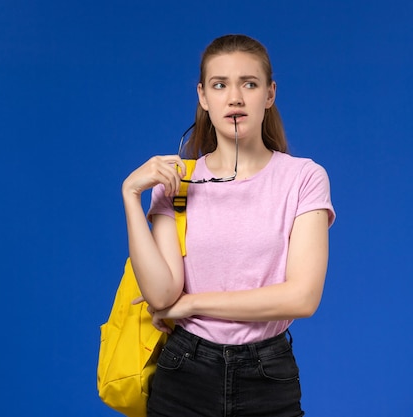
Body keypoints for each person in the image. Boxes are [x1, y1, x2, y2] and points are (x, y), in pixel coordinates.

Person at [121, 34, 336, 417]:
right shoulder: (178, 181)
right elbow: (160, 295)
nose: (234, 98)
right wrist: (130, 197)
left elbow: (302, 298)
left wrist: (192, 304)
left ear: (269, 94)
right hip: (183, 369)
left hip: (267, 374)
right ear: (203, 96)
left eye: (248, 84)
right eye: (220, 85)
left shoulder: (303, 178)